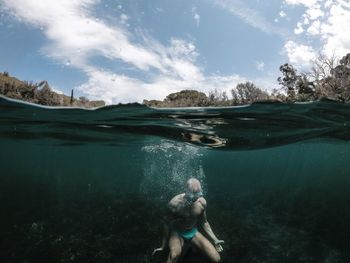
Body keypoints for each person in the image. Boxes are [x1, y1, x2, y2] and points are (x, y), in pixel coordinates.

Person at [153, 178, 224, 263]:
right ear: (186, 190)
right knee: (174, 255)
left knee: (217, 259)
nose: (197, 197)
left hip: (193, 231)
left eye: (199, 193)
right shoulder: (174, 204)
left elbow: (204, 222)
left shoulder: (201, 203)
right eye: (193, 194)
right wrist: (163, 245)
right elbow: (166, 223)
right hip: (177, 232)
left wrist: (215, 239)